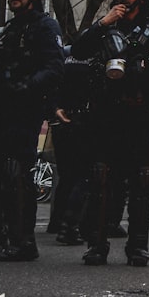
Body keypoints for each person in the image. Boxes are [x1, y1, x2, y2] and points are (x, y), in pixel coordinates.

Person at [69, 0, 149, 266]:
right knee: (101, 180)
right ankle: (97, 244)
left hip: (140, 118)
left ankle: (138, 246)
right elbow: (77, 51)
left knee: (142, 182)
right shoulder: (106, 27)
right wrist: (102, 24)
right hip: (106, 119)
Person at [0, 0, 64, 261]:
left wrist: (26, 87)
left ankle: (24, 241)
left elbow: (54, 68)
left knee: (17, 173)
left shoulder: (44, 27)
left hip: (25, 110)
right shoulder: (9, 30)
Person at [45, 46, 96, 245]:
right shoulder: (93, 64)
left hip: (62, 124)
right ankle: (70, 225)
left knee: (66, 176)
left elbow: (49, 88)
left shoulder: (63, 64)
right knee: (83, 175)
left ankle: (56, 222)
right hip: (85, 123)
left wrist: (55, 109)